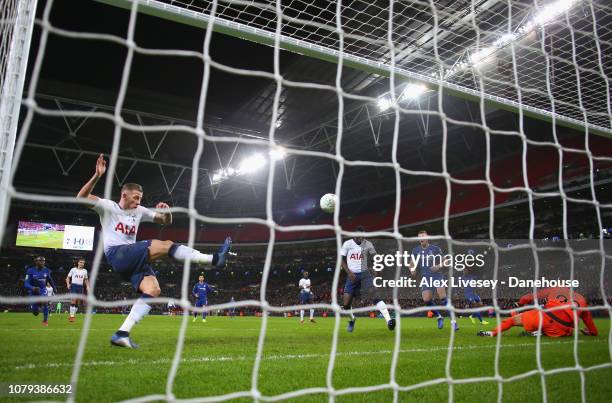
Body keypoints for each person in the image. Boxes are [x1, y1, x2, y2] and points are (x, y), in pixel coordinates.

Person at [77, 154, 233, 348]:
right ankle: (214, 259)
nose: (138, 202)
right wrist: (97, 176)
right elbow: (81, 198)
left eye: (140, 199)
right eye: (135, 198)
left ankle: (121, 333)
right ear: (124, 195)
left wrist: (166, 213)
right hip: (117, 254)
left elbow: (164, 221)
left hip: (132, 260)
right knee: (166, 245)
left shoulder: (139, 211)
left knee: (153, 289)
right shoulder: (108, 207)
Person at [340, 226, 395, 332]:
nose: (360, 237)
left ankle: (389, 321)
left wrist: (377, 267)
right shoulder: (347, 244)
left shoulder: (368, 244)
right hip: (352, 275)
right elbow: (341, 260)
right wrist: (349, 273)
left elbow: (375, 258)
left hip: (365, 273)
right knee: (346, 304)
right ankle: (352, 320)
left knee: (374, 294)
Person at [408, 230, 458, 331]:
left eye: (423, 236)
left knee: (443, 298)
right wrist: (412, 270)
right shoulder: (416, 250)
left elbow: (446, 261)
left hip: (437, 276)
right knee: (426, 300)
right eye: (419, 237)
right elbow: (411, 264)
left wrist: (438, 266)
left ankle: (453, 322)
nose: (421, 238)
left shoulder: (435, 249)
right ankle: (439, 317)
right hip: (426, 277)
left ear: (427, 238)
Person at [478, 298, 593, 338]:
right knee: (567, 330)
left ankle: (492, 333)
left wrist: (520, 304)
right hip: (561, 329)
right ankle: (539, 332)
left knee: (512, 321)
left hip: (543, 317)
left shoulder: (560, 298)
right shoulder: (583, 309)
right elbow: (593, 331)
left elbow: (548, 303)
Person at [517, 287, 597, 336]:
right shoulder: (581, 300)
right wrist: (591, 332)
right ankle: (539, 331)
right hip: (566, 327)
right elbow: (591, 326)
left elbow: (527, 298)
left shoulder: (556, 291)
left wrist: (519, 304)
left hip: (550, 317)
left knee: (541, 313)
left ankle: (537, 331)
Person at [24, 256, 56, 326]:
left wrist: (54, 288)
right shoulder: (30, 270)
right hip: (33, 292)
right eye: (40, 261)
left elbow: (50, 280)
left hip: (42, 290)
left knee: (45, 302)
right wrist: (33, 288)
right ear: (36, 262)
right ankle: (37, 305)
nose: (42, 262)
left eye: (43, 261)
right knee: (35, 313)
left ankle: (45, 321)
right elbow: (26, 283)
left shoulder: (47, 270)